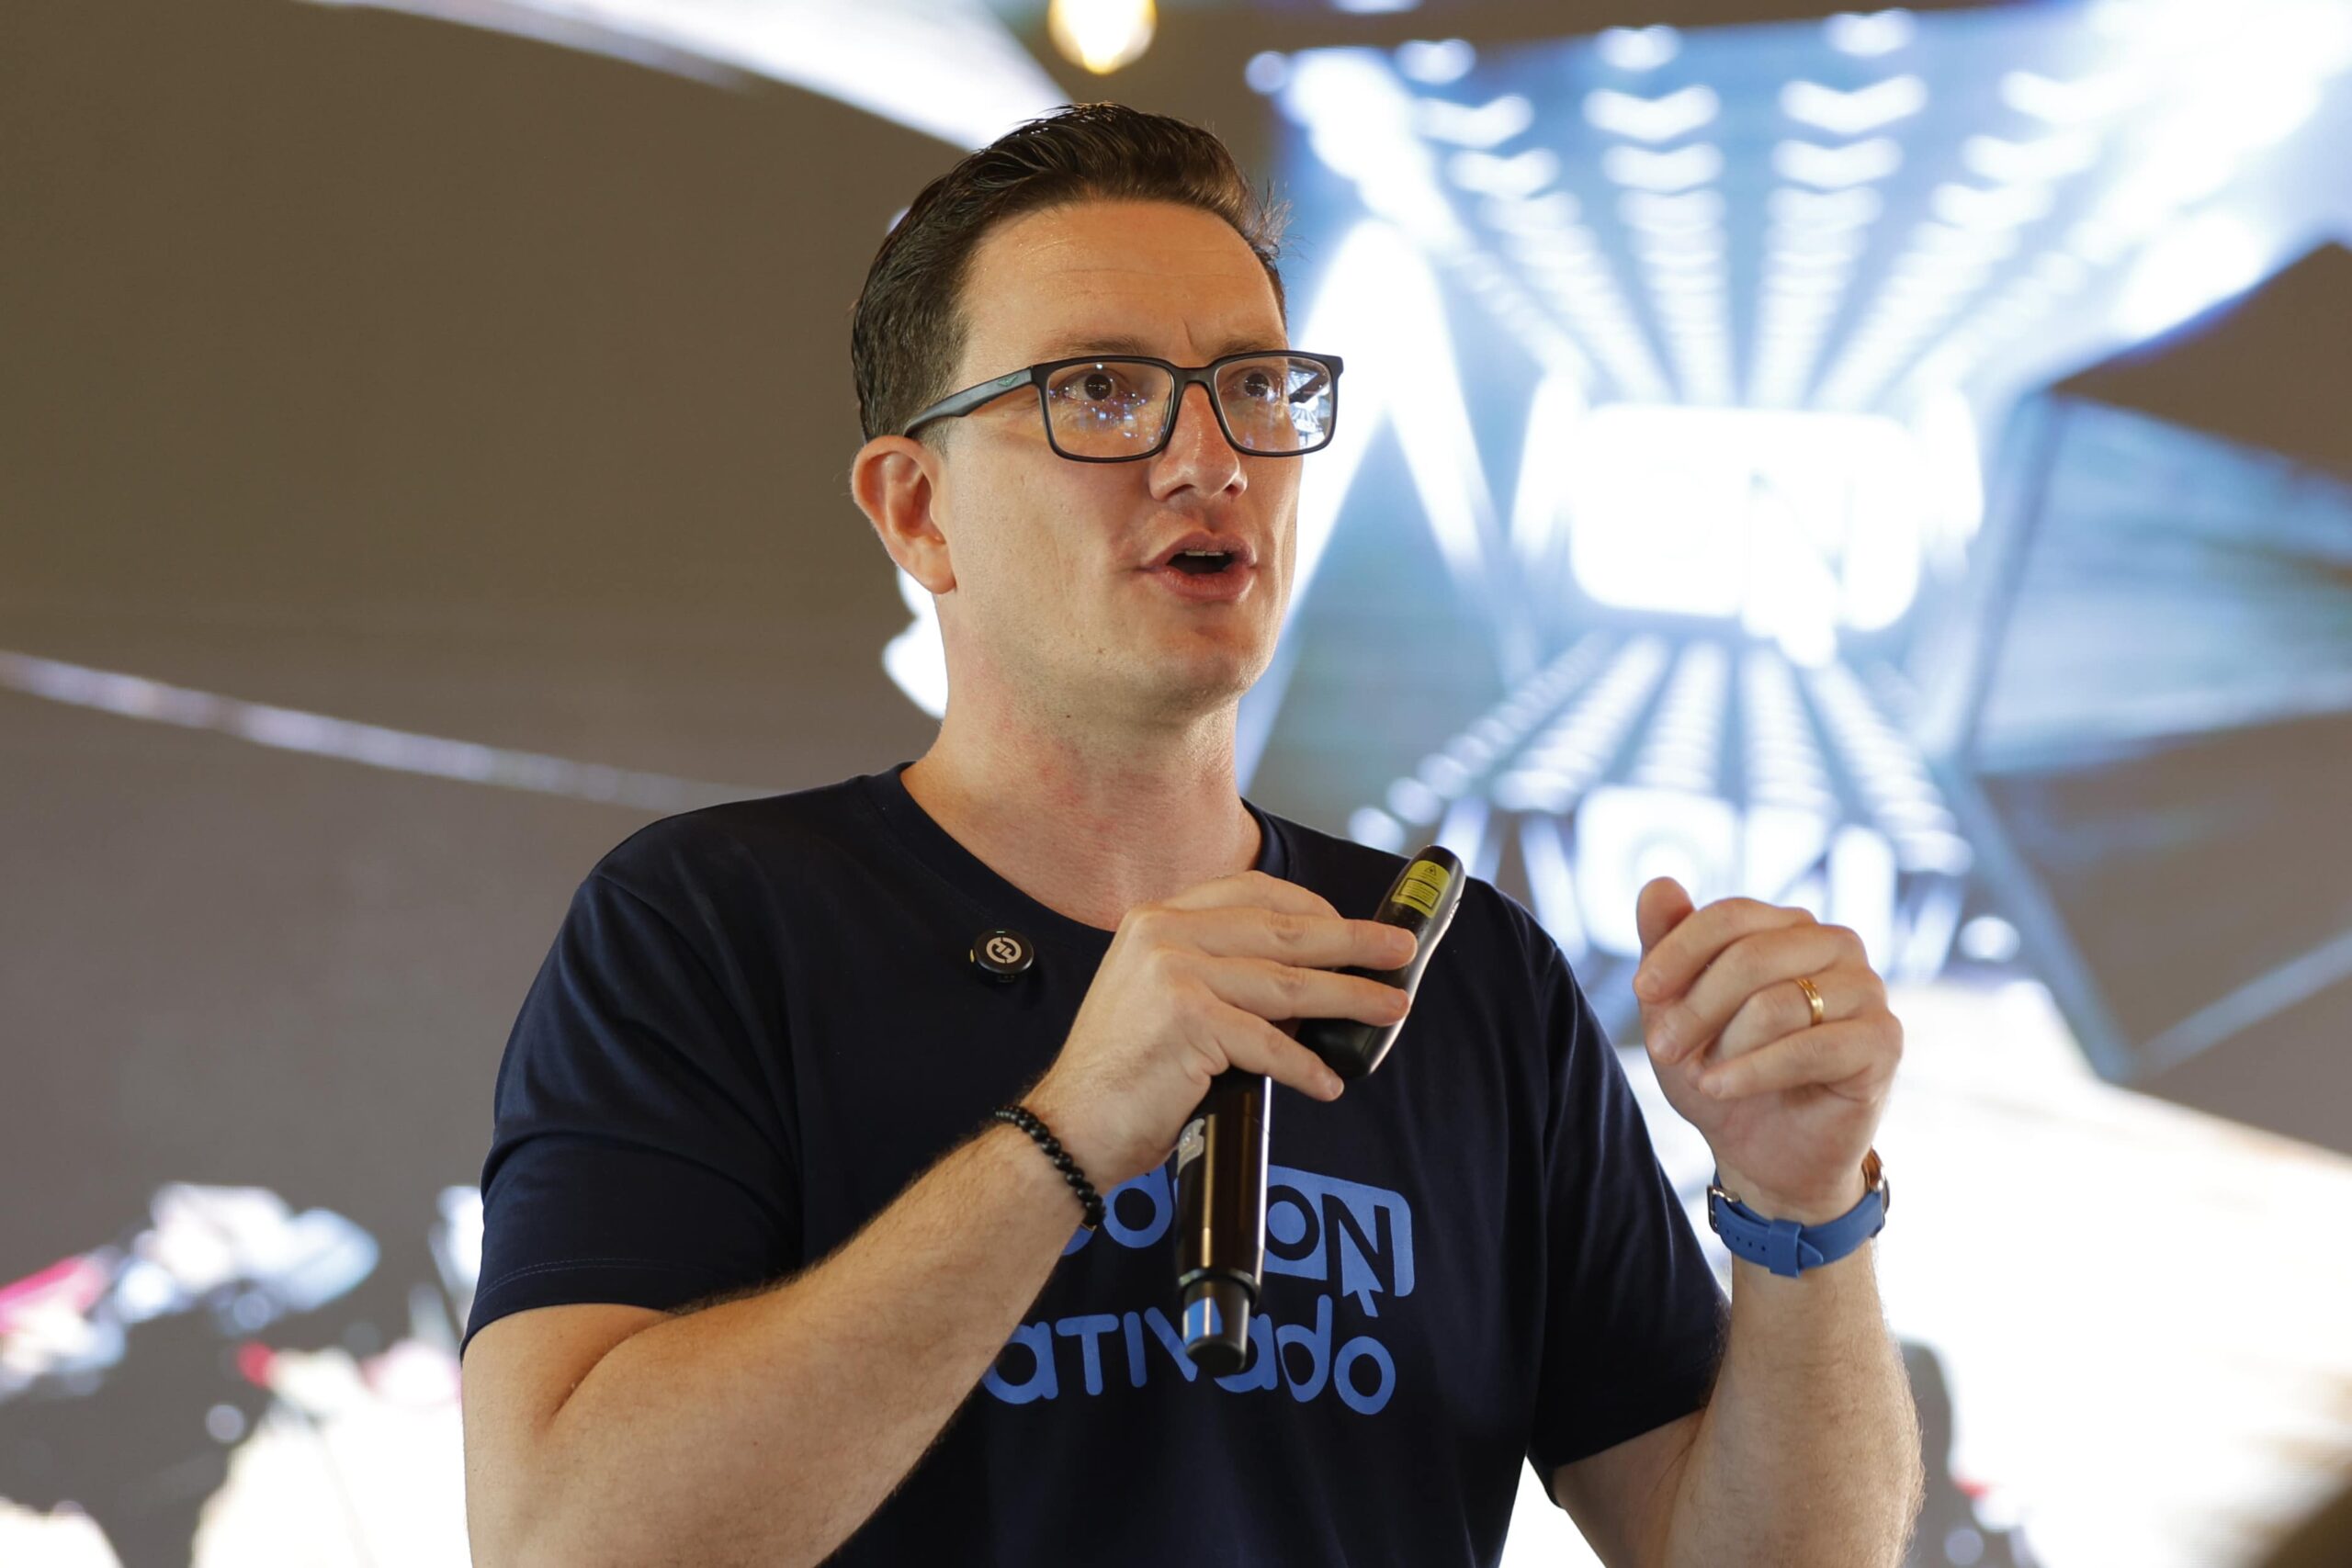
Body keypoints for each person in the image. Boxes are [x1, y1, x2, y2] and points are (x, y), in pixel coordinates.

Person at [457, 103, 1924, 1567]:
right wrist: (1070, 1133)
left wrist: (1802, 1209)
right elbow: (562, 1542)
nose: (1209, 460)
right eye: (1102, 393)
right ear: (917, 512)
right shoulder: (712, 927)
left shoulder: (1463, 977)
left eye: (1256, 387)